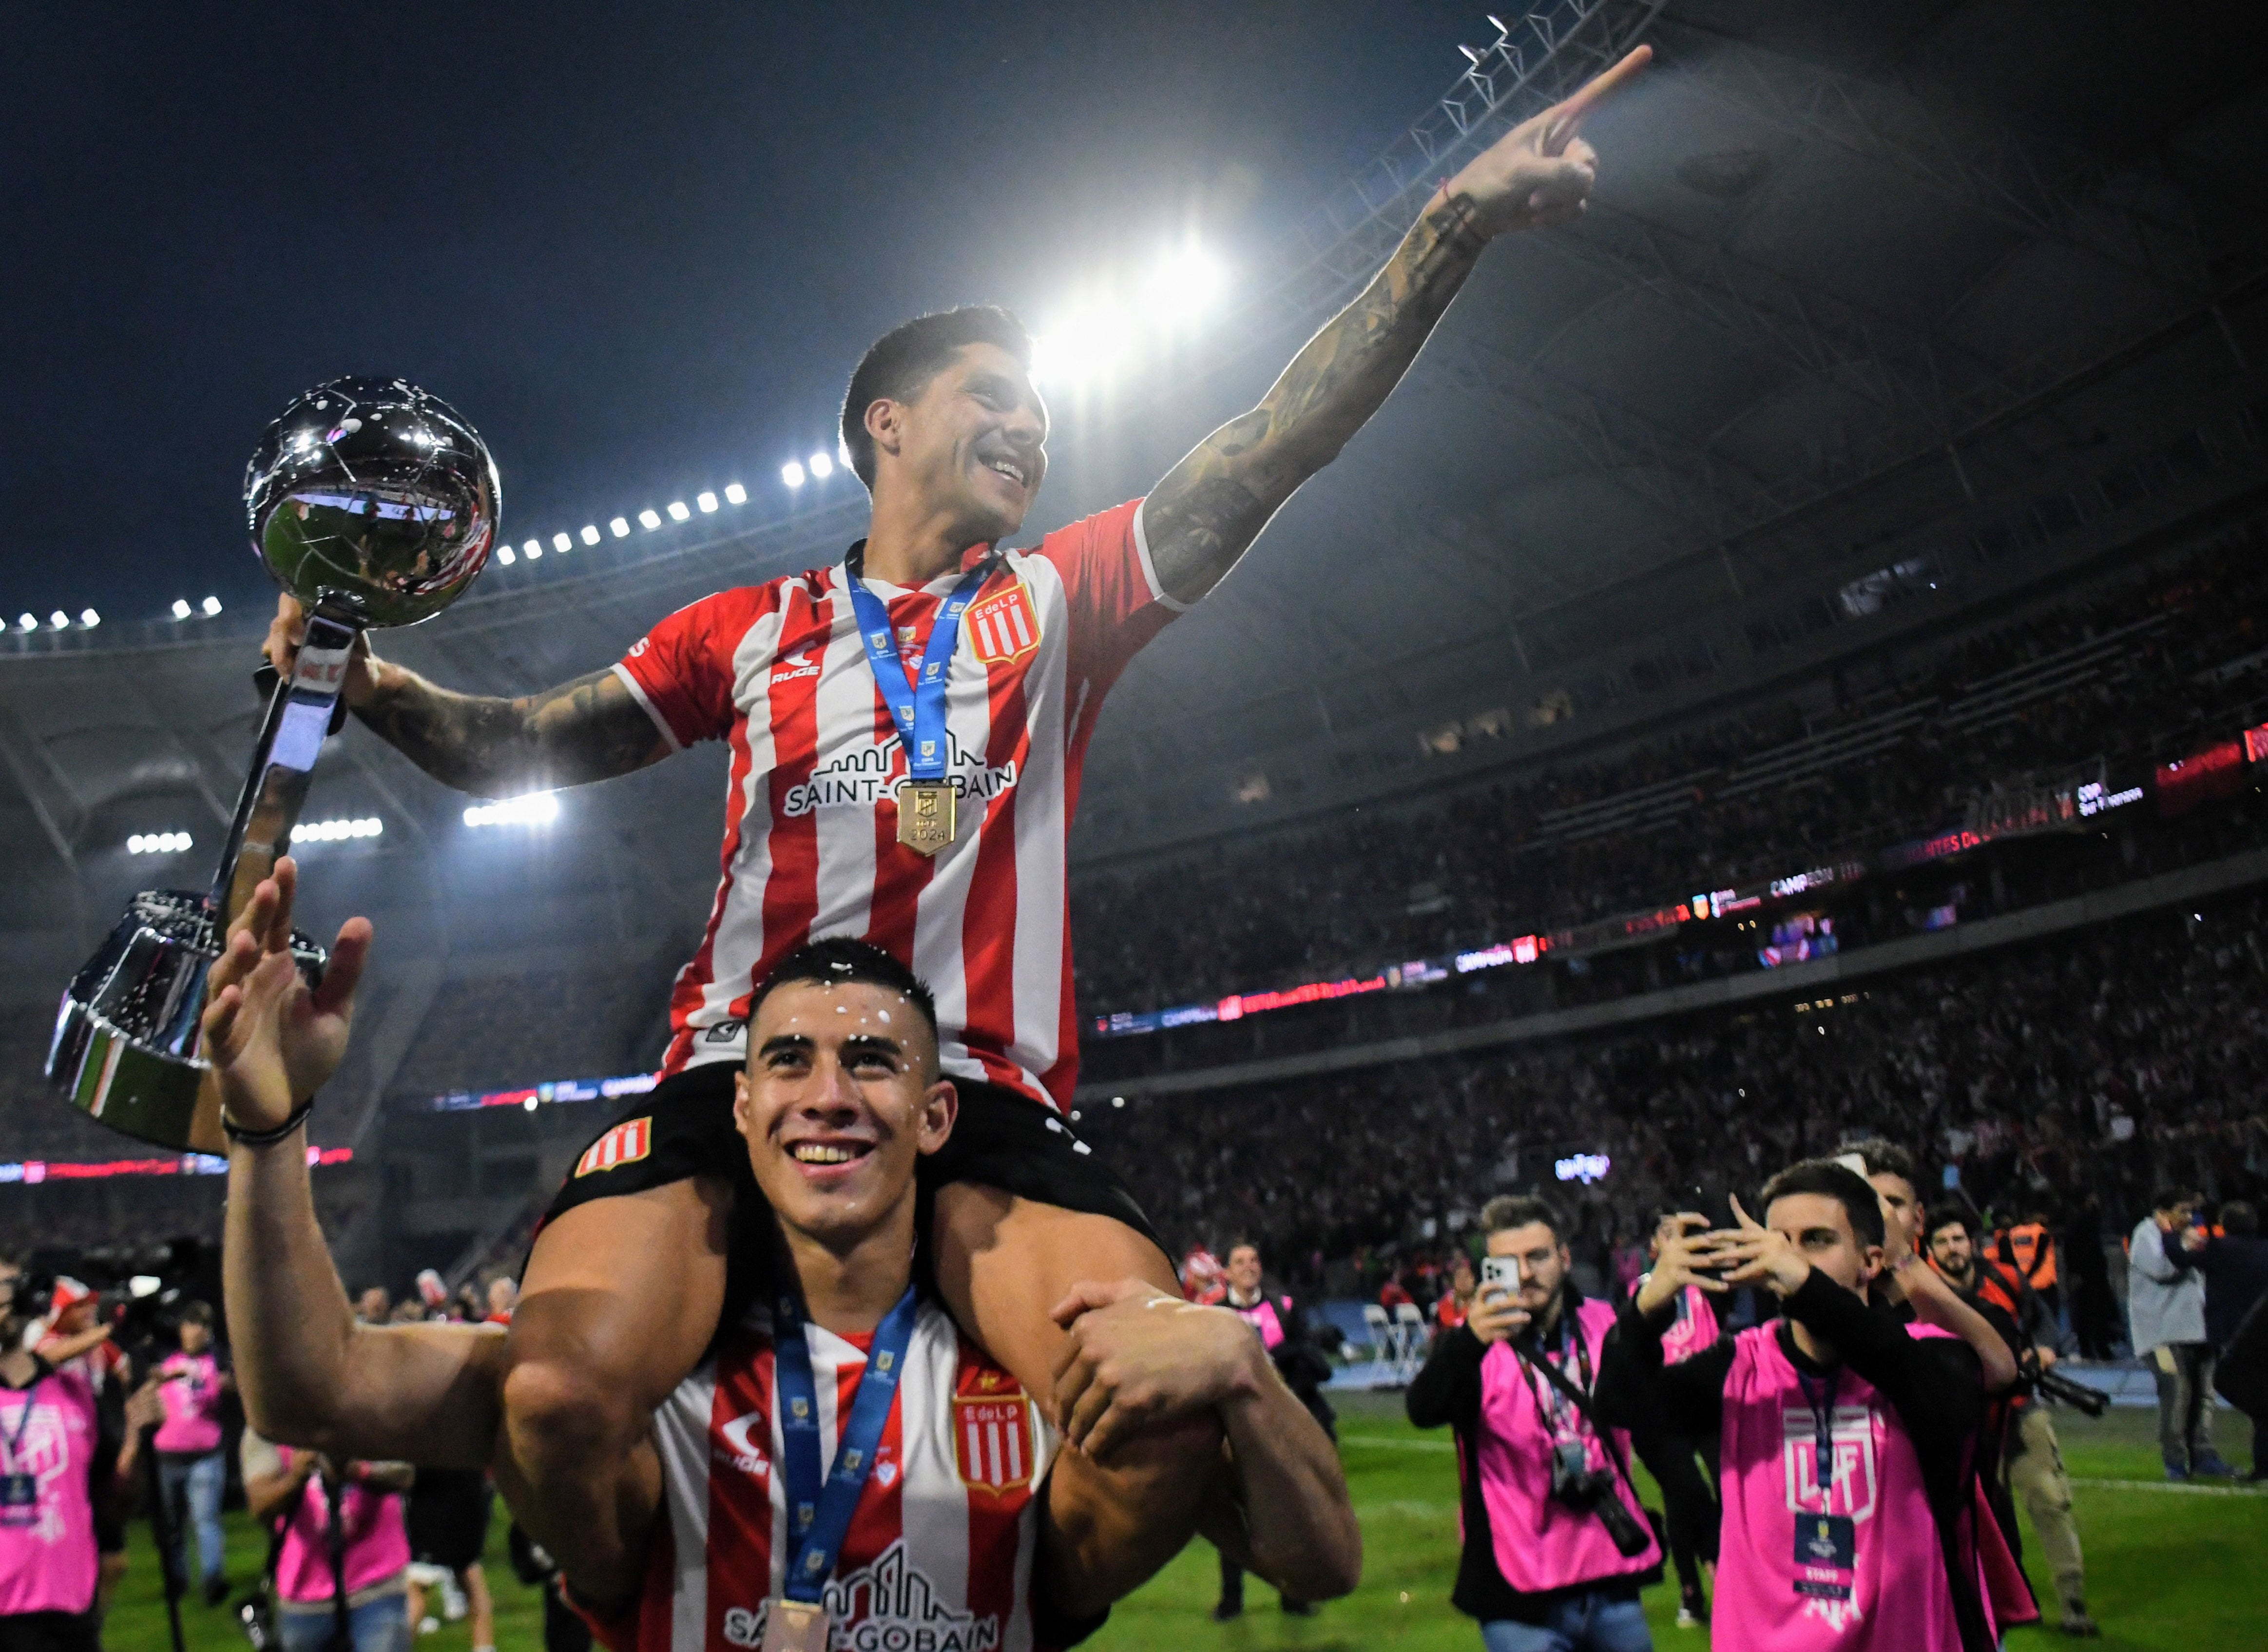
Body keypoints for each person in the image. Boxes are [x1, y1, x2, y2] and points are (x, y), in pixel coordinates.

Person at [259, 46, 1649, 1602]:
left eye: (1043, 405)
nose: (1032, 424)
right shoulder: (749, 629)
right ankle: (626, 1612)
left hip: (982, 1090)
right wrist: (367, 680)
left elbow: (1273, 442)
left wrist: (1455, 219)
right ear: (884, 426)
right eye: (994, 396)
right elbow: (512, 744)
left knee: (1164, 1401)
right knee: (562, 1394)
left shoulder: (1063, 595)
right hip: (737, 1073)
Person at [203, 864, 1362, 1641]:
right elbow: (314, 1388)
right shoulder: (643, 1379)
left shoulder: (1034, 1364)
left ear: (935, 1115)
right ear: (743, 1110)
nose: (827, 1096)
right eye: (790, 1062)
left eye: (870, 1061)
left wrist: (1245, 1374)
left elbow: (1319, 1567)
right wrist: (266, 1131)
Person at [1598, 1162, 1996, 1652]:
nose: (1787, 1259)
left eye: (1815, 1240)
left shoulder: (1933, 1355)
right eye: (1778, 1241)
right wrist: (1647, 1309)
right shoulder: (1736, 1365)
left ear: (1870, 1261)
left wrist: (1807, 1286)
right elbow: (1618, 1405)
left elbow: (1937, 1398)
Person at [1407, 1193, 1663, 1652]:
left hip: (1609, 1574)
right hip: (1520, 1592)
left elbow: (1653, 1414)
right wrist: (1469, 1341)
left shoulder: (1606, 1323)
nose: (1525, 1274)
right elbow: (1422, 1409)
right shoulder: (1471, 1346)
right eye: (1508, 1263)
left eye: (1538, 1257)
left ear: (1564, 1258)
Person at [1923, 1204, 2097, 1637]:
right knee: (1976, 1517)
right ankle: (1997, 1601)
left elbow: (2043, 1324)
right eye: (1942, 1242)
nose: (1952, 1249)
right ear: (1929, 1249)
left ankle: (2073, 1600)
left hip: (2019, 1407)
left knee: (2049, 1497)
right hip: (1956, 1420)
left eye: (1958, 1239)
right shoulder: (1918, 1294)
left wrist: (2042, 1350)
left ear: (1973, 1242)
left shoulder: (2005, 1277)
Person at [0, 1261, 164, 1652]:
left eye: (13, 1286)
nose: (12, 1295)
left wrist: (136, 1442)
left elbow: (115, 1500)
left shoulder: (71, 1394)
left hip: (72, 1613)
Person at [1212, 1240, 1336, 1623]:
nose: (1249, 1266)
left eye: (1254, 1260)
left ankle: (1293, 1596)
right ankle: (1231, 1600)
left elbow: (1303, 1354)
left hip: (1282, 1427)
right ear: (1227, 1273)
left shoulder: (1284, 1307)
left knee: (1290, 1514)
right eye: (1240, 1262)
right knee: (1236, 1515)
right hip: (1238, 1430)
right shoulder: (1215, 1315)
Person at [1626, 1209, 1723, 1632]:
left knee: (1731, 1491)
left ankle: (1730, 1575)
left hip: (1712, 1401)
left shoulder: (1706, 1285)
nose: (1678, 1242)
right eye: (1670, 1235)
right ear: (1654, 1248)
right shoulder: (1643, 1292)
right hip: (1666, 1405)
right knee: (1683, 1499)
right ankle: (1691, 1593)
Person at [242, 1431, 415, 1652]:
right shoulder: (268, 1420)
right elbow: (260, 1506)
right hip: (303, 1592)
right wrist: (296, 1477)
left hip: (377, 1582)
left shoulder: (368, 1407)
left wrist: (358, 1470)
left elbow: (405, 1474)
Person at [2127, 1191, 2230, 1479]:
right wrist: (2181, 1246)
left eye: (2190, 1212)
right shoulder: (2146, 1234)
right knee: (2176, 1393)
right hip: (2162, 1334)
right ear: (2162, 1211)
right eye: (2182, 1211)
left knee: (2204, 1395)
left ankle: (2204, 1455)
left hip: (2197, 1330)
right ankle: (2175, 1461)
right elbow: (2163, 1270)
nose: (2188, 1218)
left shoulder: (2190, 1234)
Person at [155, 1302, 236, 1608]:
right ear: (181, 1329)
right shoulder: (167, 1361)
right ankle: (176, 1580)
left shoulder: (216, 1363)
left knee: (206, 1519)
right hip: (168, 1454)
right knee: (172, 1526)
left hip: (205, 1453)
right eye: (191, 1324)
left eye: (202, 1326)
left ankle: (213, 1579)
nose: (196, 1331)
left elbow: (225, 1390)